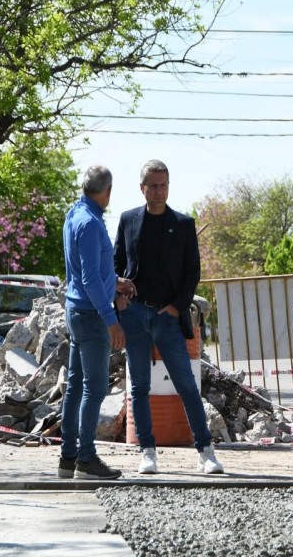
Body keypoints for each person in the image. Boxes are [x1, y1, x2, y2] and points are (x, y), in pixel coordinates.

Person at [114, 159, 224, 475]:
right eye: (153, 185)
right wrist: (118, 298)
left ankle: (206, 452)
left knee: (186, 385)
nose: (158, 191)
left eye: (163, 185)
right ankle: (147, 452)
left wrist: (178, 305)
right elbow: (115, 262)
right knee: (139, 387)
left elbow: (192, 271)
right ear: (142, 188)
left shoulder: (184, 224)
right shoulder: (128, 220)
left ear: (168, 186)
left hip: (168, 317)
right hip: (135, 315)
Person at [60, 165, 136, 480]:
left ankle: (68, 457)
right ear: (108, 191)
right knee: (94, 388)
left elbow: (83, 270)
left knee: (75, 386)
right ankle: (86, 459)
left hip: (76, 310)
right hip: (92, 316)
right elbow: (90, 278)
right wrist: (111, 319)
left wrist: (115, 281)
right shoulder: (91, 223)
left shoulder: (74, 215)